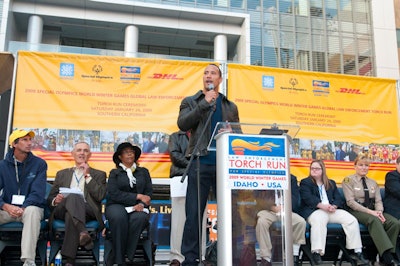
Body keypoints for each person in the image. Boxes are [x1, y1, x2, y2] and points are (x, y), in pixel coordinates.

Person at [177, 63, 240, 266]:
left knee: (229, 214)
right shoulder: (191, 101)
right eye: (205, 73)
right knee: (194, 214)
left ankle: (224, 254)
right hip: (200, 162)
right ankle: (190, 258)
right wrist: (204, 103)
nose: (208, 76)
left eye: (213, 73)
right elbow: (183, 123)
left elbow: (238, 135)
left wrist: (231, 133)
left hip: (224, 166)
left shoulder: (230, 106)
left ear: (220, 79)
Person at [47, 142, 107, 266]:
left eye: (85, 151)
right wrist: (55, 200)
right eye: (79, 150)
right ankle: (82, 234)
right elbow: (50, 198)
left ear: (89, 155)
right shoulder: (62, 174)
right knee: (72, 198)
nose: (82, 153)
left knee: (71, 214)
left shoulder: (99, 174)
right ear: (72, 154)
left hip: (87, 210)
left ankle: (70, 259)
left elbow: (100, 196)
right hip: (62, 209)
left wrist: (87, 175)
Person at [299, 159, 369, 265]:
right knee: (319, 219)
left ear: (323, 170)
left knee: (351, 220)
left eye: (317, 168)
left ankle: (357, 251)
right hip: (315, 210)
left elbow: (338, 198)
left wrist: (334, 206)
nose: (314, 170)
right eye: (312, 168)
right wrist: (323, 206)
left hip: (331, 210)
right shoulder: (306, 182)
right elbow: (308, 198)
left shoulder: (330, 182)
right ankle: (316, 253)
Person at [0, 129, 47, 266]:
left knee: (32, 211)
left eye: (30, 140)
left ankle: (28, 261)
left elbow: (38, 193)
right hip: (7, 210)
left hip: (28, 209)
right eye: (24, 140)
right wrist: (5, 206)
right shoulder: (2, 166)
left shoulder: (39, 164)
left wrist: (23, 207)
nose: (29, 143)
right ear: (14, 144)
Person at [342, 155, 400, 266]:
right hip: (356, 211)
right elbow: (351, 202)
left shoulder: (373, 182)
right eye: (361, 165)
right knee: (374, 220)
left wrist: (379, 212)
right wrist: (372, 213)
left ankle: (386, 255)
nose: (364, 168)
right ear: (355, 166)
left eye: (366, 165)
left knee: (394, 223)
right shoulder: (348, 180)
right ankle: (388, 256)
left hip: (373, 210)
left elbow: (378, 200)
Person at [105, 142, 153, 265]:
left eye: (132, 151)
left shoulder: (143, 172)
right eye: (126, 152)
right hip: (117, 205)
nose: (130, 153)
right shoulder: (114, 173)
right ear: (120, 157)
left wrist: (142, 204)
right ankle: (120, 259)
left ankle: (126, 256)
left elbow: (148, 193)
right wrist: (137, 196)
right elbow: (114, 193)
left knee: (140, 218)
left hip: (139, 206)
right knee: (118, 217)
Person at [256, 174, 306, 266]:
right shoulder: (263, 175)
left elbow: (295, 199)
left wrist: (285, 206)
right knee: (261, 222)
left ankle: (294, 255)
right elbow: (259, 198)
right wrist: (272, 207)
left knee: (300, 221)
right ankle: (266, 257)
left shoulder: (291, 178)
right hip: (268, 210)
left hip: (285, 210)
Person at [168, 130, 190, 266]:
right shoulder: (175, 136)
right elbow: (175, 156)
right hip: (181, 178)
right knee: (178, 221)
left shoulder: (203, 135)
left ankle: (201, 255)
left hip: (200, 178)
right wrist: (193, 164)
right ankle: (177, 257)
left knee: (200, 219)